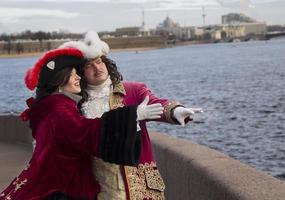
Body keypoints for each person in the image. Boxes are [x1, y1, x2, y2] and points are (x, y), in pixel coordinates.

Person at [0, 47, 163, 200]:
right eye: (73, 74)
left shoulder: (52, 106)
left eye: (99, 62)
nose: (78, 77)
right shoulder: (59, 109)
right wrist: (131, 116)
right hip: (59, 188)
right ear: (60, 81)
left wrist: (173, 110)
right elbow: (85, 132)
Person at [60, 31, 202, 200]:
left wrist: (175, 111)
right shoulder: (76, 103)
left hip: (137, 183)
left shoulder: (132, 90)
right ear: (81, 73)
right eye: (89, 66)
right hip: (98, 184)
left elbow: (156, 103)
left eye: (99, 62)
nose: (97, 68)